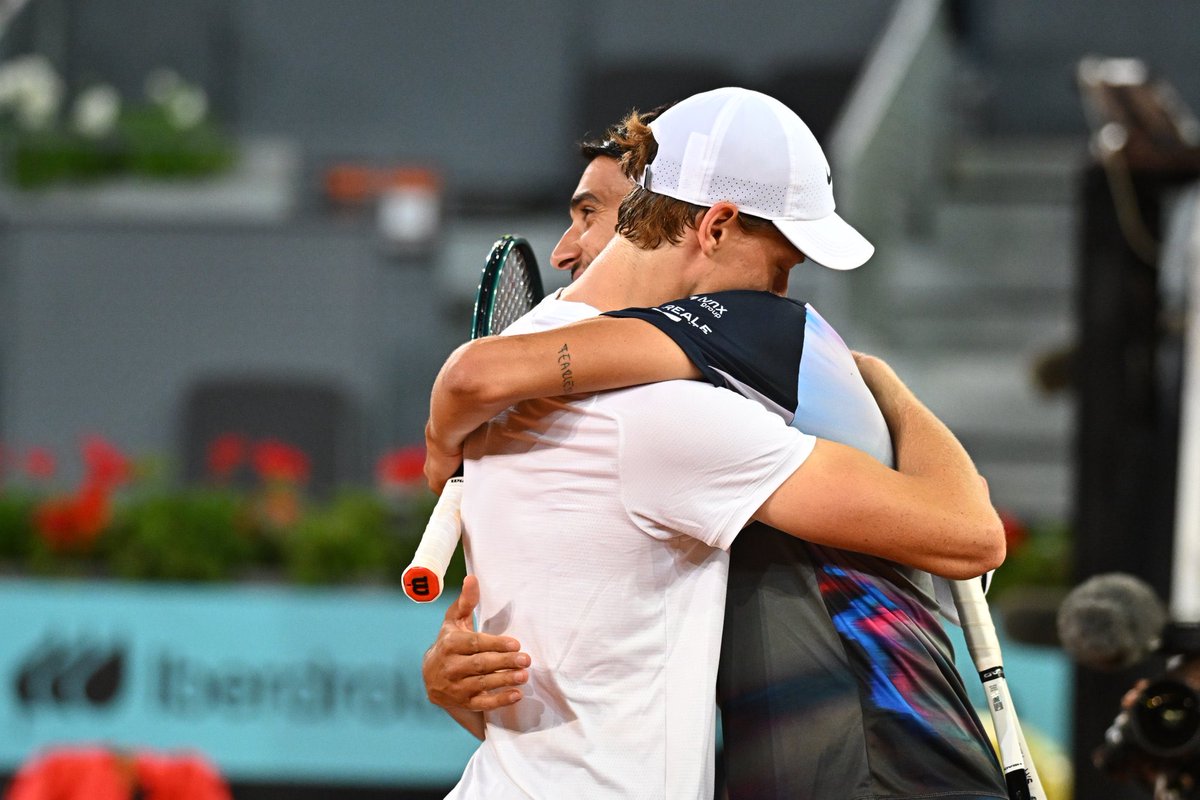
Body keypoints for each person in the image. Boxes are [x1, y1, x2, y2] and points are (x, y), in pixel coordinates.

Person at [426, 88, 1007, 799]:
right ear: (718, 227)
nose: (781, 295)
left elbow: (550, 715)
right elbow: (969, 537)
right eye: (781, 268)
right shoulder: (665, 416)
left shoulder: (529, 357)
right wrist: (883, 384)